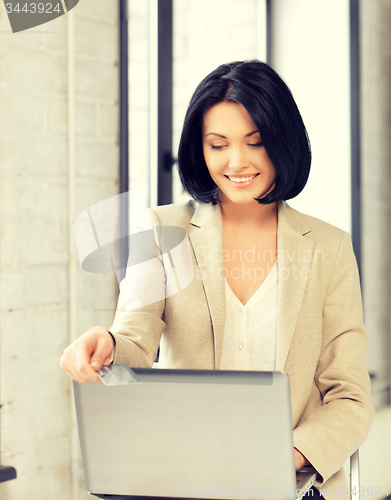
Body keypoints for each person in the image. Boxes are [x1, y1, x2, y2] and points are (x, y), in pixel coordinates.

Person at [60, 60, 375, 499]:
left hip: (290, 485)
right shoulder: (161, 231)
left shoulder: (330, 247)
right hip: (186, 479)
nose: (237, 161)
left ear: (282, 143)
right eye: (218, 144)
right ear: (200, 149)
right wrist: (106, 343)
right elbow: (134, 337)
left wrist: (292, 454)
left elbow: (350, 397)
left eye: (256, 142)